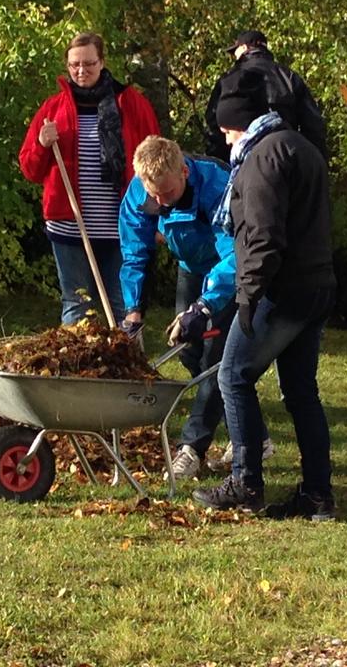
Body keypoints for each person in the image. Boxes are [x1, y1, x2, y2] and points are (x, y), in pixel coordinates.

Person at [191, 69, 336, 520]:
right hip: (318, 285)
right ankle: (317, 495)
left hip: (281, 290)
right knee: (300, 391)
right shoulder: (300, 146)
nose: (222, 132)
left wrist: (249, 297)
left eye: (225, 124)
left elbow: (262, 238)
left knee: (231, 376)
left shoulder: (260, 161)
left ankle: (246, 482)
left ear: (239, 122)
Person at [119, 135, 274, 480]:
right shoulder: (141, 193)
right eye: (154, 196)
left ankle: (192, 448)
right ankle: (255, 436)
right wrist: (133, 311)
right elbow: (134, 251)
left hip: (231, 274)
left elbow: (236, 255)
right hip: (190, 267)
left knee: (215, 363)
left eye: (168, 194)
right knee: (188, 352)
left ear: (184, 173)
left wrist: (204, 307)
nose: (161, 202)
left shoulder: (218, 186)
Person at [19, 32, 160, 325]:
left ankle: (124, 369)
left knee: (121, 303)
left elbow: (157, 163)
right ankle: (77, 370)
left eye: (88, 63)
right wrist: (42, 144)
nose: (81, 71)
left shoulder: (132, 105)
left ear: (102, 62)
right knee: (77, 303)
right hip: (69, 225)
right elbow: (30, 170)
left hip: (121, 225)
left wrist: (157, 218)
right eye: (74, 65)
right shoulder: (52, 109)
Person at [204, 30, 328, 163]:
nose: (234, 56)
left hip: (244, 162)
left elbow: (214, 125)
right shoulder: (290, 76)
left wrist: (220, 164)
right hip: (286, 156)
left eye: (236, 50)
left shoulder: (230, 79)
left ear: (244, 47)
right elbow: (313, 125)